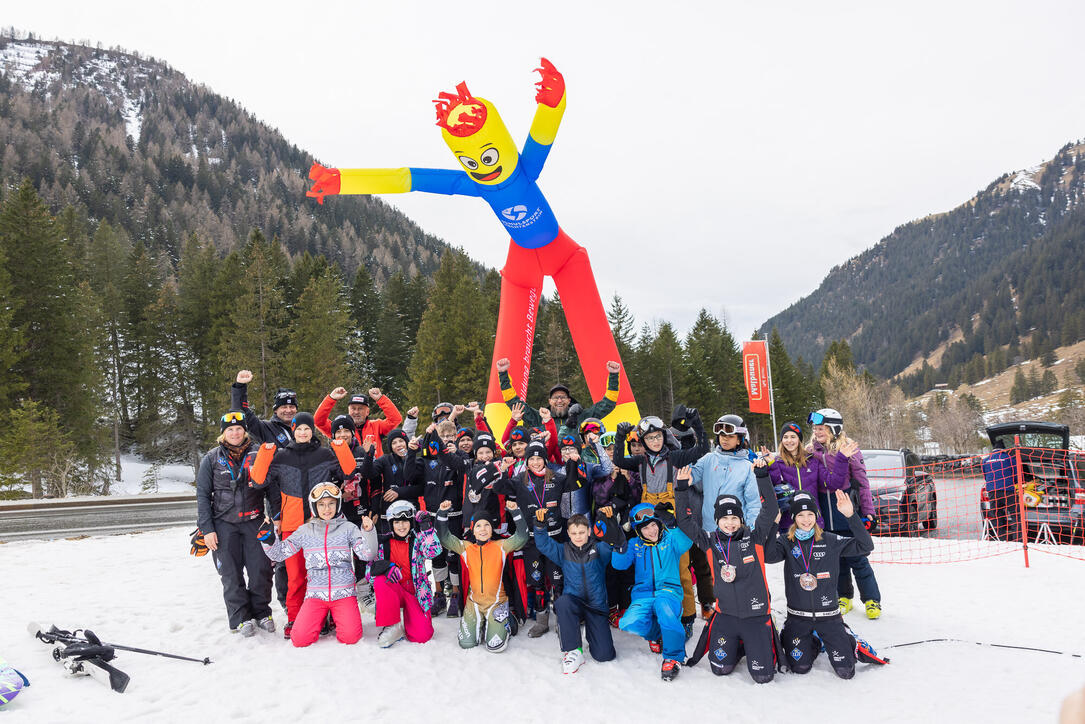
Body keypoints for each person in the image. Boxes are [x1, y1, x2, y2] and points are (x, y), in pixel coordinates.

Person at [248, 412, 358, 638]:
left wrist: (340, 447)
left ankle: (324, 617)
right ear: (293, 431)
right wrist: (265, 452)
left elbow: (348, 472)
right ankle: (294, 618)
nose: (303, 432)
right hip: (293, 524)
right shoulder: (281, 455)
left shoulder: (324, 454)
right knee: (296, 577)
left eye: (307, 428)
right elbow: (258, 481)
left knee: (322, 573)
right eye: (299, 429)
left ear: (311, 431)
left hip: (322, 524)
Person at [763, 490, 886, 678]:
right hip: (798, 617)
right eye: (801, 515)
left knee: (846, 671)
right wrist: (774, 524)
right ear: (794, 518)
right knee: (799, 667)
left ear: (816, 516)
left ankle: (844, 637)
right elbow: (768, 556)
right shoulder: (787, 542)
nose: (806, 520)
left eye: (810, 514)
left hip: (829, 617)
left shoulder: (830, 540)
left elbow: (865, 547)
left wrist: (851, 516)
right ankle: (815, 641)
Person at [679, 461, 782, 683]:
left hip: (756, 616)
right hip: (726, 616)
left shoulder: (755, 537)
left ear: (742, 519)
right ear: (717, 521)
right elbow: (684, 521)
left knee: (763, 677)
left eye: (734, 518)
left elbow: (771, 509)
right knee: (719, 669)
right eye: (724, 518)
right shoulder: (709, 542)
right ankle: (739, 643)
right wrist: (680, 489)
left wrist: (762, 476)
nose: (730, 523)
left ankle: (751, 643)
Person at [613, 411, 707, 637]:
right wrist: (619, 437)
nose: (654, 442)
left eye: (657, 437)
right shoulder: (641, 461)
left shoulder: (675, 457)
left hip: (673, 520)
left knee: (680, 569)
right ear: (643, 442)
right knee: (653, 573)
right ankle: (659, 615)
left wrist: (697, 424)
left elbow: (702, 450)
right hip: (650, 524)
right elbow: (618, 460)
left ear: (664, 437)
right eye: (649, 439)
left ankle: (687, 617)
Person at [258, 482, 377, 647]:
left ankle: (336, 616)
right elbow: (279, 553)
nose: (326, 509)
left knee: (350, 637)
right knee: (299, 639)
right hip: (316, 595)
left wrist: (369, 531)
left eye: (331, 504)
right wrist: (269, 538)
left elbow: (368, 554)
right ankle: (323, 617)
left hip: (343, 593)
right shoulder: (305, 531)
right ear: (314, 506)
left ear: (338, 505)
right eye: (321, 504)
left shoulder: (348, 528)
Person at [195, 410, 274, 636]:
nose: (235, 432)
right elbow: (202, 495)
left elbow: (271, 487)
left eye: (239, 428)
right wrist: (207, 529)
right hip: (224, 523)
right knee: (231, 574)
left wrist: (273, 516)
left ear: (244, 430)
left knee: (261, 570)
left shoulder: (258, 453)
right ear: (223, 433)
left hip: (255, 520)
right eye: (230, 429)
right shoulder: (211, 458)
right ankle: (240, 618)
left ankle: (261, 612)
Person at [499, 440, 587, 637]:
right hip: (532, 541)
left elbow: (576, 483)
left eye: (540, 458)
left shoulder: (557, 478)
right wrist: (503, 470)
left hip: (555, 539)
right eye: (532, 459)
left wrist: (574, 463)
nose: (536, 462)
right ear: (527, 461)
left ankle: (562, 620)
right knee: (537, 582)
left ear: (546, 460)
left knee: (558, 582)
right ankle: (542, 621)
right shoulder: (520, 479)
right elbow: (499, 488)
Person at [807, 408, 881, 619]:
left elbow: (862, 483)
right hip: (824, 513)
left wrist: (868, 512)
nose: (817, 432)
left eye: (822, 428)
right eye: (815, 428)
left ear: (834, 429)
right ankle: (844, 596)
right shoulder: (811, 450)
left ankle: (871, 600)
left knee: (858, 559)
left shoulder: (849, 449)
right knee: (836, 560)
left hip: (846, 510)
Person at [612, 500, 695, 681]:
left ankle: (673, 657)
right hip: (643, 595)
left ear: (658, 523)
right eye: (645, 528)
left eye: (653, 525)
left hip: (669, 593)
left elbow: (686, 543)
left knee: (663, 607)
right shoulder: (635, 544)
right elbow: (619, 564)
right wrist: (618, 543)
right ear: (638, 531)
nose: (651, 531)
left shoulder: (670, 539)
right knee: (627, 622)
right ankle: (658, 635)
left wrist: (672, 524)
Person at [688, 414, 759, 620]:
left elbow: (753, 501)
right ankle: (722, 609)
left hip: (737, 531)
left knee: (740, 571)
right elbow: (691, 475)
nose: (724, 439)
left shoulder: (747, 466)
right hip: (711, 528)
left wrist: (752, 529)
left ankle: (746, 607)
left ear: (740, 439)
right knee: (716, 572)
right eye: (720, 435)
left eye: (730, 436)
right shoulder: (709, 459)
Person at [436, 498, 529, 652]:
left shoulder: (501, 546)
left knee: (495, 646)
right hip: (474, 603)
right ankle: (483, 623)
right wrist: (442, 513)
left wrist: (516, 512)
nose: (483, 529)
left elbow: (522, 538)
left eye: (487, 525)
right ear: (473, 530)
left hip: (496, 603)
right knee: (466, 643)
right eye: (478, 525)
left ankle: (507, 620)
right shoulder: (466, 548)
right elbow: (444, 538)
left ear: (492, 529)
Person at [533, 510, 620, 674]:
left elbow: (612, 543)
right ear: (568, 533)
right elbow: (544, 544)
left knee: (604, 655)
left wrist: (610, 521)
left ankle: (592, 631)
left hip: (596, 606)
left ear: (589, 531)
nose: (578, 536)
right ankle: (574, 650)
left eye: (581, 532)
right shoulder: (563, 551)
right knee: (562, 602)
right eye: (574, 533)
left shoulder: (599, 549)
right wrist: (539, 526)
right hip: (575, 603)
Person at [367, 500, 443, 648]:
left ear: (410, 522)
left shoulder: (418, 540)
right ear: (391, 524)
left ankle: (411, 622)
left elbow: (434, 552)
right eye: (397, 522)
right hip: (394, 592)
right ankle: (392, 626)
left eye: (404, 522)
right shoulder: (384, 542)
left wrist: (426, 528)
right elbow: (370, 575)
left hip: (415, 593)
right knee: (380, 580)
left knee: (421, 636)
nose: (401, 526)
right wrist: (385, 566)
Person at [495, 357, 622, 439]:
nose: (559, 400)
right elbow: (513, 402)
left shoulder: (582, 417)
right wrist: (503, 373)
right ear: (550, 402)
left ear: (569, 400)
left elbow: (607, 404)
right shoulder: (539, 418)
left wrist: (613, 375)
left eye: (563, 397)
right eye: (555, 398)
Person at [764, 422, 826, 533]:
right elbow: (776, 488)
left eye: (793, 437)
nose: (789, 441)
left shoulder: (812, 460)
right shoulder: (777, 462)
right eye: (785, 437)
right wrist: (772, 466)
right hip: (789, 522)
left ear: (799, 439)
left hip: (813, 521)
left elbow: (826, 484)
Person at [314, 386, 403, 458]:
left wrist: (380, 399)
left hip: (376, 477)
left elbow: (395, 419)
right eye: (353, 408)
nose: (356, 412)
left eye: (360, 409)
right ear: (348, 410)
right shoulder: (340, 429)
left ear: (367, 411)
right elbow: (318, 421)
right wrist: (331, 399)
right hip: (349, 477)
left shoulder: (376, 426)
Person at [231, 370, 297, 448]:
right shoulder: (266, 429)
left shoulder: (303, 429)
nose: (288, 410)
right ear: (276, 410)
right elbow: (242, 412)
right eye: (284, 407)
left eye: (292, 407)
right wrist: (240, 386)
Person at [981, 441, 1020, 541]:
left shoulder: (985, 460)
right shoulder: (1010, 459)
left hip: (992, 491)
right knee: (1015, 515)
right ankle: (1018, 539)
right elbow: (1016, 475)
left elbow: (985, 476)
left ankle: (1001, 539)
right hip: (1008, 490)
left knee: (997, 515)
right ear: (1004, 450)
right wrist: (1014, 483)